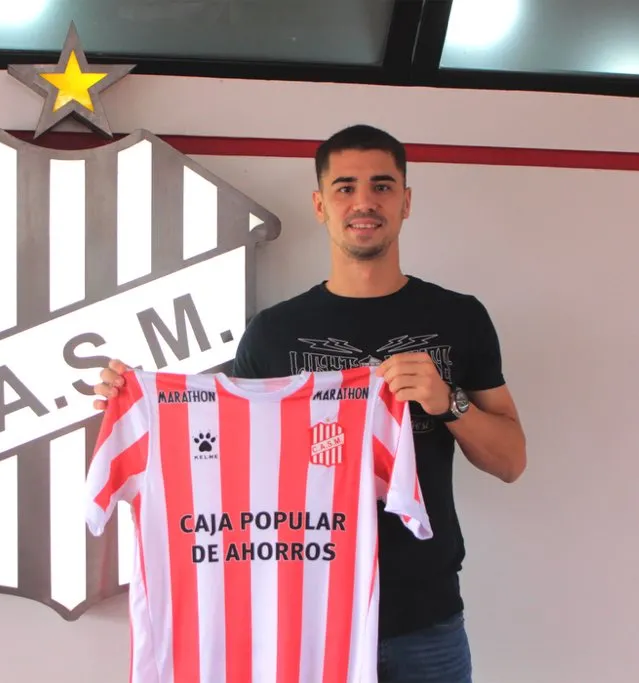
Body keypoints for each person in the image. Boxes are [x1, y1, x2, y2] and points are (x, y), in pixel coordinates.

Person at [91, 124, 527, 683]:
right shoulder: (275, 334)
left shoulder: (458, 317)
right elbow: (225, 457)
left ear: (407, 201)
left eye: (382, 186)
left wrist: (449, 402)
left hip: (424, 618)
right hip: (306, 620)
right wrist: (136, 401)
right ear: (320, 205)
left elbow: (511, 461)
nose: (364, 202)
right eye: (345, 188)